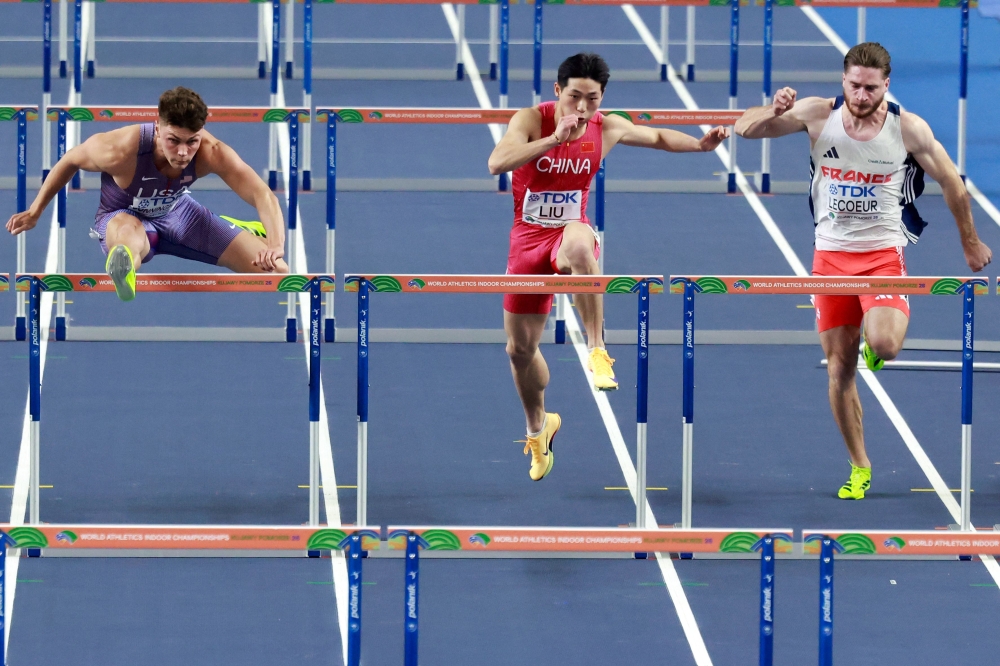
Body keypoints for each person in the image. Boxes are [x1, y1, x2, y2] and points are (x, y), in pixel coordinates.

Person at [734, 42, 992, 499]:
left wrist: (970, 242)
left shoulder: (907, 128)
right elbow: (743, 129)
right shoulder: (817, 114)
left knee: (886, 345)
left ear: (885, 86)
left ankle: (876, 343)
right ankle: (860, 465)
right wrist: (770, 108)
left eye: (871, 88)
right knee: (840, 368)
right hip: (829, 257)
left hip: (881, 256)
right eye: (854, 85)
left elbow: (953, 182)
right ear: (844, 81)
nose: (861, 95)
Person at [488, 52, 730, 482]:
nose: (582, 108)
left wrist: (699, 145)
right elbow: (496, 163)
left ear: (603, 98)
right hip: (526, 240)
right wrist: (552, 140)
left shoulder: (606, 127)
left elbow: (655, 137)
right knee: (519, 351)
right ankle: (539, 427)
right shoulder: (531, 119)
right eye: (575, 97)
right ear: (557, 90)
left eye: (593, 99)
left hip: (568, 233)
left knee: (582, 245)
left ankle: (598, 350)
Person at [5, 87, 288, 301]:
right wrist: (36, 210)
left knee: (278, 273)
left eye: (192, 142)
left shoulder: (211, 153)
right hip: (123, 217)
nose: (182, 152)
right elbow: (70, 160)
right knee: (127, 241)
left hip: (180, 215)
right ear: (157, 128)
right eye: (173, 140)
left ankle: (235, 228)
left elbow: (262, 195)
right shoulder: (120, 149)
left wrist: (275, 245)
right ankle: (125, 265)